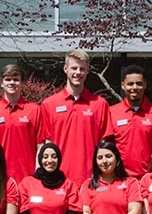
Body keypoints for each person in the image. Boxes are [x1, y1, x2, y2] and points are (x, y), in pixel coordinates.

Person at [39, 49, 110, 185]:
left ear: (87, 70)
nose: (78, 72)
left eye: (82, 69)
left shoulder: (100, 104)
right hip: (59, 180)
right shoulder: (49, 104)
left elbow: (105, 145)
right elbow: (47, 144)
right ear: (65, 69)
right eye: (74, 68)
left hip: (92, 180)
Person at [0, 64, 43, 183]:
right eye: (8, 79)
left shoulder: (34, 110)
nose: (11, 83)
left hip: (28, 177)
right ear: (2, 83)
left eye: (16, 79)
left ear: (22, 83)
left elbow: (40, 146)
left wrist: (38, 172)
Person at [107, 65, 152, 178]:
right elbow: (107, 147)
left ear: (145, 85)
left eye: (139, 83)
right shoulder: (111, 113)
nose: (134, 87)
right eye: (130, 84)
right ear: (123, 85)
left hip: (150, 177)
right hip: (120, 177)